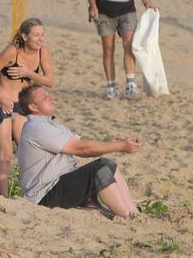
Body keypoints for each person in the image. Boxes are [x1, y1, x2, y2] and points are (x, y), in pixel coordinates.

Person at [17, 84, 141, 217]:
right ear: (33, 107)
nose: (50, 97)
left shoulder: (50, 123)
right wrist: (119, 147)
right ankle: (124, 215)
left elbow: (82, 144)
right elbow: (81, 149)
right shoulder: (37, 127)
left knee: (107, 164)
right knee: (99, 170)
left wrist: (115, 143)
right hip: (44, 195)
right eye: (44, 97)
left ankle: (132, 211)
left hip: (59, 184)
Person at [0, 18, 55, 196]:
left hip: (21, 106)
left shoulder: (42, 52)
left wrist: (28, 73)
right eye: (36, 35)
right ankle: (4, 197)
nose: (40, 39)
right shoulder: (12, 51)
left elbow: (50, 81)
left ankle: (31, 193)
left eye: (42, 35)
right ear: (24, 36)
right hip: (1, 104)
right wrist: (0, 99)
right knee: (6, 154)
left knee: (28, 152)